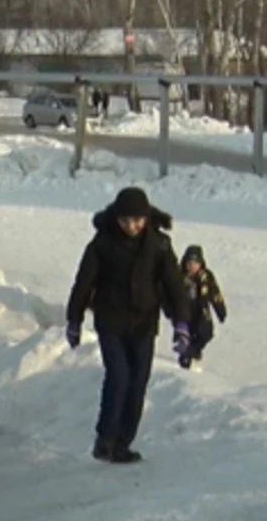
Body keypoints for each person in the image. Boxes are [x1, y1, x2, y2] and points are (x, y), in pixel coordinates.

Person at [64, 187, 192, 464]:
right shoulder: (102, 243)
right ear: (116, 218)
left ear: (146, 217)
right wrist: (74, 319)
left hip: (144, 323)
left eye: (137, 220)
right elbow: (84, 283)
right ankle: (105, 438)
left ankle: (122, 442)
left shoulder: (159, 245)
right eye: (125, 221)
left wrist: (181, 322)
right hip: (110, 321)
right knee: (119, 376)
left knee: (138, 382)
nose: (131, 226)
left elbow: (174, 285)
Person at [178, 245, 228, 370]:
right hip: (185, 311)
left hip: (202, 310)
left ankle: (194, 351)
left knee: (206, 332)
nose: (192, 266)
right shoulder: (179, 276)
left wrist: (220, 309)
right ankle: (187, 355)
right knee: (187, 335)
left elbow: (215, 293)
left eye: (195, 263)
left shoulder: (206, 276)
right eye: (189, 262)